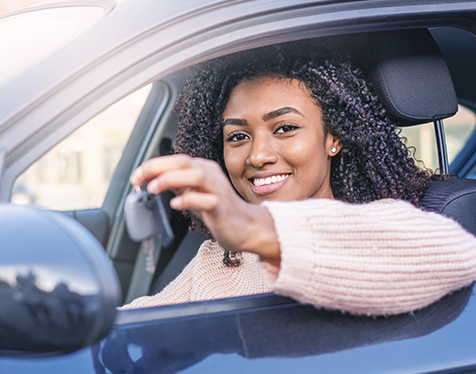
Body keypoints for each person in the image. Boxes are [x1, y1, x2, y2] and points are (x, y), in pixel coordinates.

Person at [122, 43, 476, 315]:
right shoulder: (220, 260)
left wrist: (256, 228)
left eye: (286, 128)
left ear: (333, 137)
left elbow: (455, 254)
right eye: (238, 137)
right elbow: (137, 326)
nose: (258, 155)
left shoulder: (381, 223)